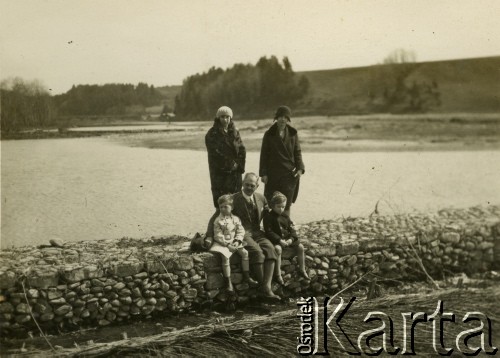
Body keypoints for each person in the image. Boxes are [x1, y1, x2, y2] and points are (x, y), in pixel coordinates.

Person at [206, 173, 281, 299]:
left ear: (257, 186)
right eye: (246, 184)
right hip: (242, 233)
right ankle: (267, 290)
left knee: (271, 249)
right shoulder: (232, 199)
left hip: (257, 232)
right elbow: (215, 218)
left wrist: (283, 228)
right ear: (242, 183)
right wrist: (209, 236)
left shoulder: (261, 198)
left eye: (252, 185)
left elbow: (270, 216)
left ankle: (266, 286)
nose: (249, 188)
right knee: (257, 252)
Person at [259, 105, 304, 217]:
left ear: (288, 119)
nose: (282, 119)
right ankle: (271, 227)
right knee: (271, 202)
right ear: (276, 118)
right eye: (280, 117)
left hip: (289, 174)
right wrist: (263, 173)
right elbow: (263, 155)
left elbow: (297, 152)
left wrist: (300, 169)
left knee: (286, 204)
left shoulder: (293, 134)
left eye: (285, 117)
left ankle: (285, 227)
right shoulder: (269, 134)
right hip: (273, 174)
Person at [210, 194, 258, 291]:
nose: (223, 209)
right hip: (223, 243)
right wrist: (227, 245)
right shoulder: (218, 220)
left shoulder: (236, 219)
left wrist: (237, 241)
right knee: (225, 257)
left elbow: (241, 231)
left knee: (245, 253)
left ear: (231, 207)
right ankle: (228, 282)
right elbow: (218, 235)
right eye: (221, 207)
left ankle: (246, 276)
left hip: (234, 242)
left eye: (226, 207)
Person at [263, 191, 309, 282]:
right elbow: (269, 232)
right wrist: (279, 240)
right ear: (272, 205)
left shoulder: (285, 216)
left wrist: (291, 240)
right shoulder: (268, 216)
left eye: (283, 207)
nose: (281, 209)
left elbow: (292, 230)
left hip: (287, 239)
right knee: (278, 250)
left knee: (300, 247)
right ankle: (278, 274)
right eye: (278, 207)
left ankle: (302, 269)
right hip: (275, 240)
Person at [206, 106, 246, 208]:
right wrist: (230, 164)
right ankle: (215, 224)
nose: (225, 119)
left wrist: (239, 165)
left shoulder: (235, 132)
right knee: (221, 206)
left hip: (235, 175)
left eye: (227, 117)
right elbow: (215, 154)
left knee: (236, 204)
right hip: (220, 175)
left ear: (230, 118)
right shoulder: (211, 134)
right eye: (222, 117)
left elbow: (242, 150)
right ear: (218, 118)